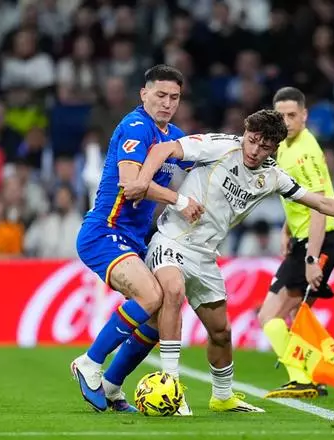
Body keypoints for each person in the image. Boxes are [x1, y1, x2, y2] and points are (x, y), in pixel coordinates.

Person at [121, 109, 334, 415]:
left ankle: (223, 397)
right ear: (245, 133)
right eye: (252, 140)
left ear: (274, 149)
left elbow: (322, 202)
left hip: (205, 255)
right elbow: (164, 149)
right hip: (172, 238)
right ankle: (171, 385)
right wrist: (142, 181)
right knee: (173, 290)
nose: (254, 150)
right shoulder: (221, 146)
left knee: (221, 333)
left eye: (264, 146)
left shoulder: (273, 177)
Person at [71, 65, 204, 413]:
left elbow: (199, 169)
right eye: (160, 95)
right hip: (105, 231)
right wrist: (179, 200)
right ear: (144, 94)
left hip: (134, 239)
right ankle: (89, 362)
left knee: (161, 314)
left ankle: (112, 385)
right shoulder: (135, 126)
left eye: (174, 97)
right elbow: (131, 183)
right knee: (151, 295)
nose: (167, 103)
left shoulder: (174, 136)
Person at [257, 86, 334, 399]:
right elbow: (298, 199)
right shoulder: (284, 146)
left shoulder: (305, 152)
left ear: (304, 115)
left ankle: (302, 378)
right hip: (304, 241)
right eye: (280, 116)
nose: (286, 121)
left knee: (270, 316)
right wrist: (286, 229)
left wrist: (311, 259)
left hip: (317, 243)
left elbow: (319, 207)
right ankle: (313, 376)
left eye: (292, 115)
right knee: (291, 315)